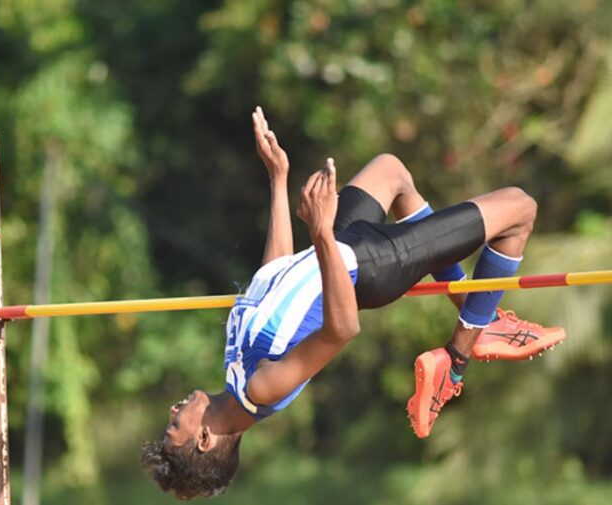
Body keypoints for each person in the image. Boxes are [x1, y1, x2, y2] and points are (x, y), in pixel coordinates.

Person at [141, 107, 565, 500]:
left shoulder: (235, 373)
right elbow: (341, 330)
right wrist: (321, 233)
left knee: (390, 171)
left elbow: (274, 274)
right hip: (370, 265)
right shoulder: (260, 390)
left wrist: (278, 179)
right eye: (176, 424)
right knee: (519, 208)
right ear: (203, 440)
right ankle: (457, 360)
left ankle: (478, 318)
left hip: (340, 247)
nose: (175, 410)